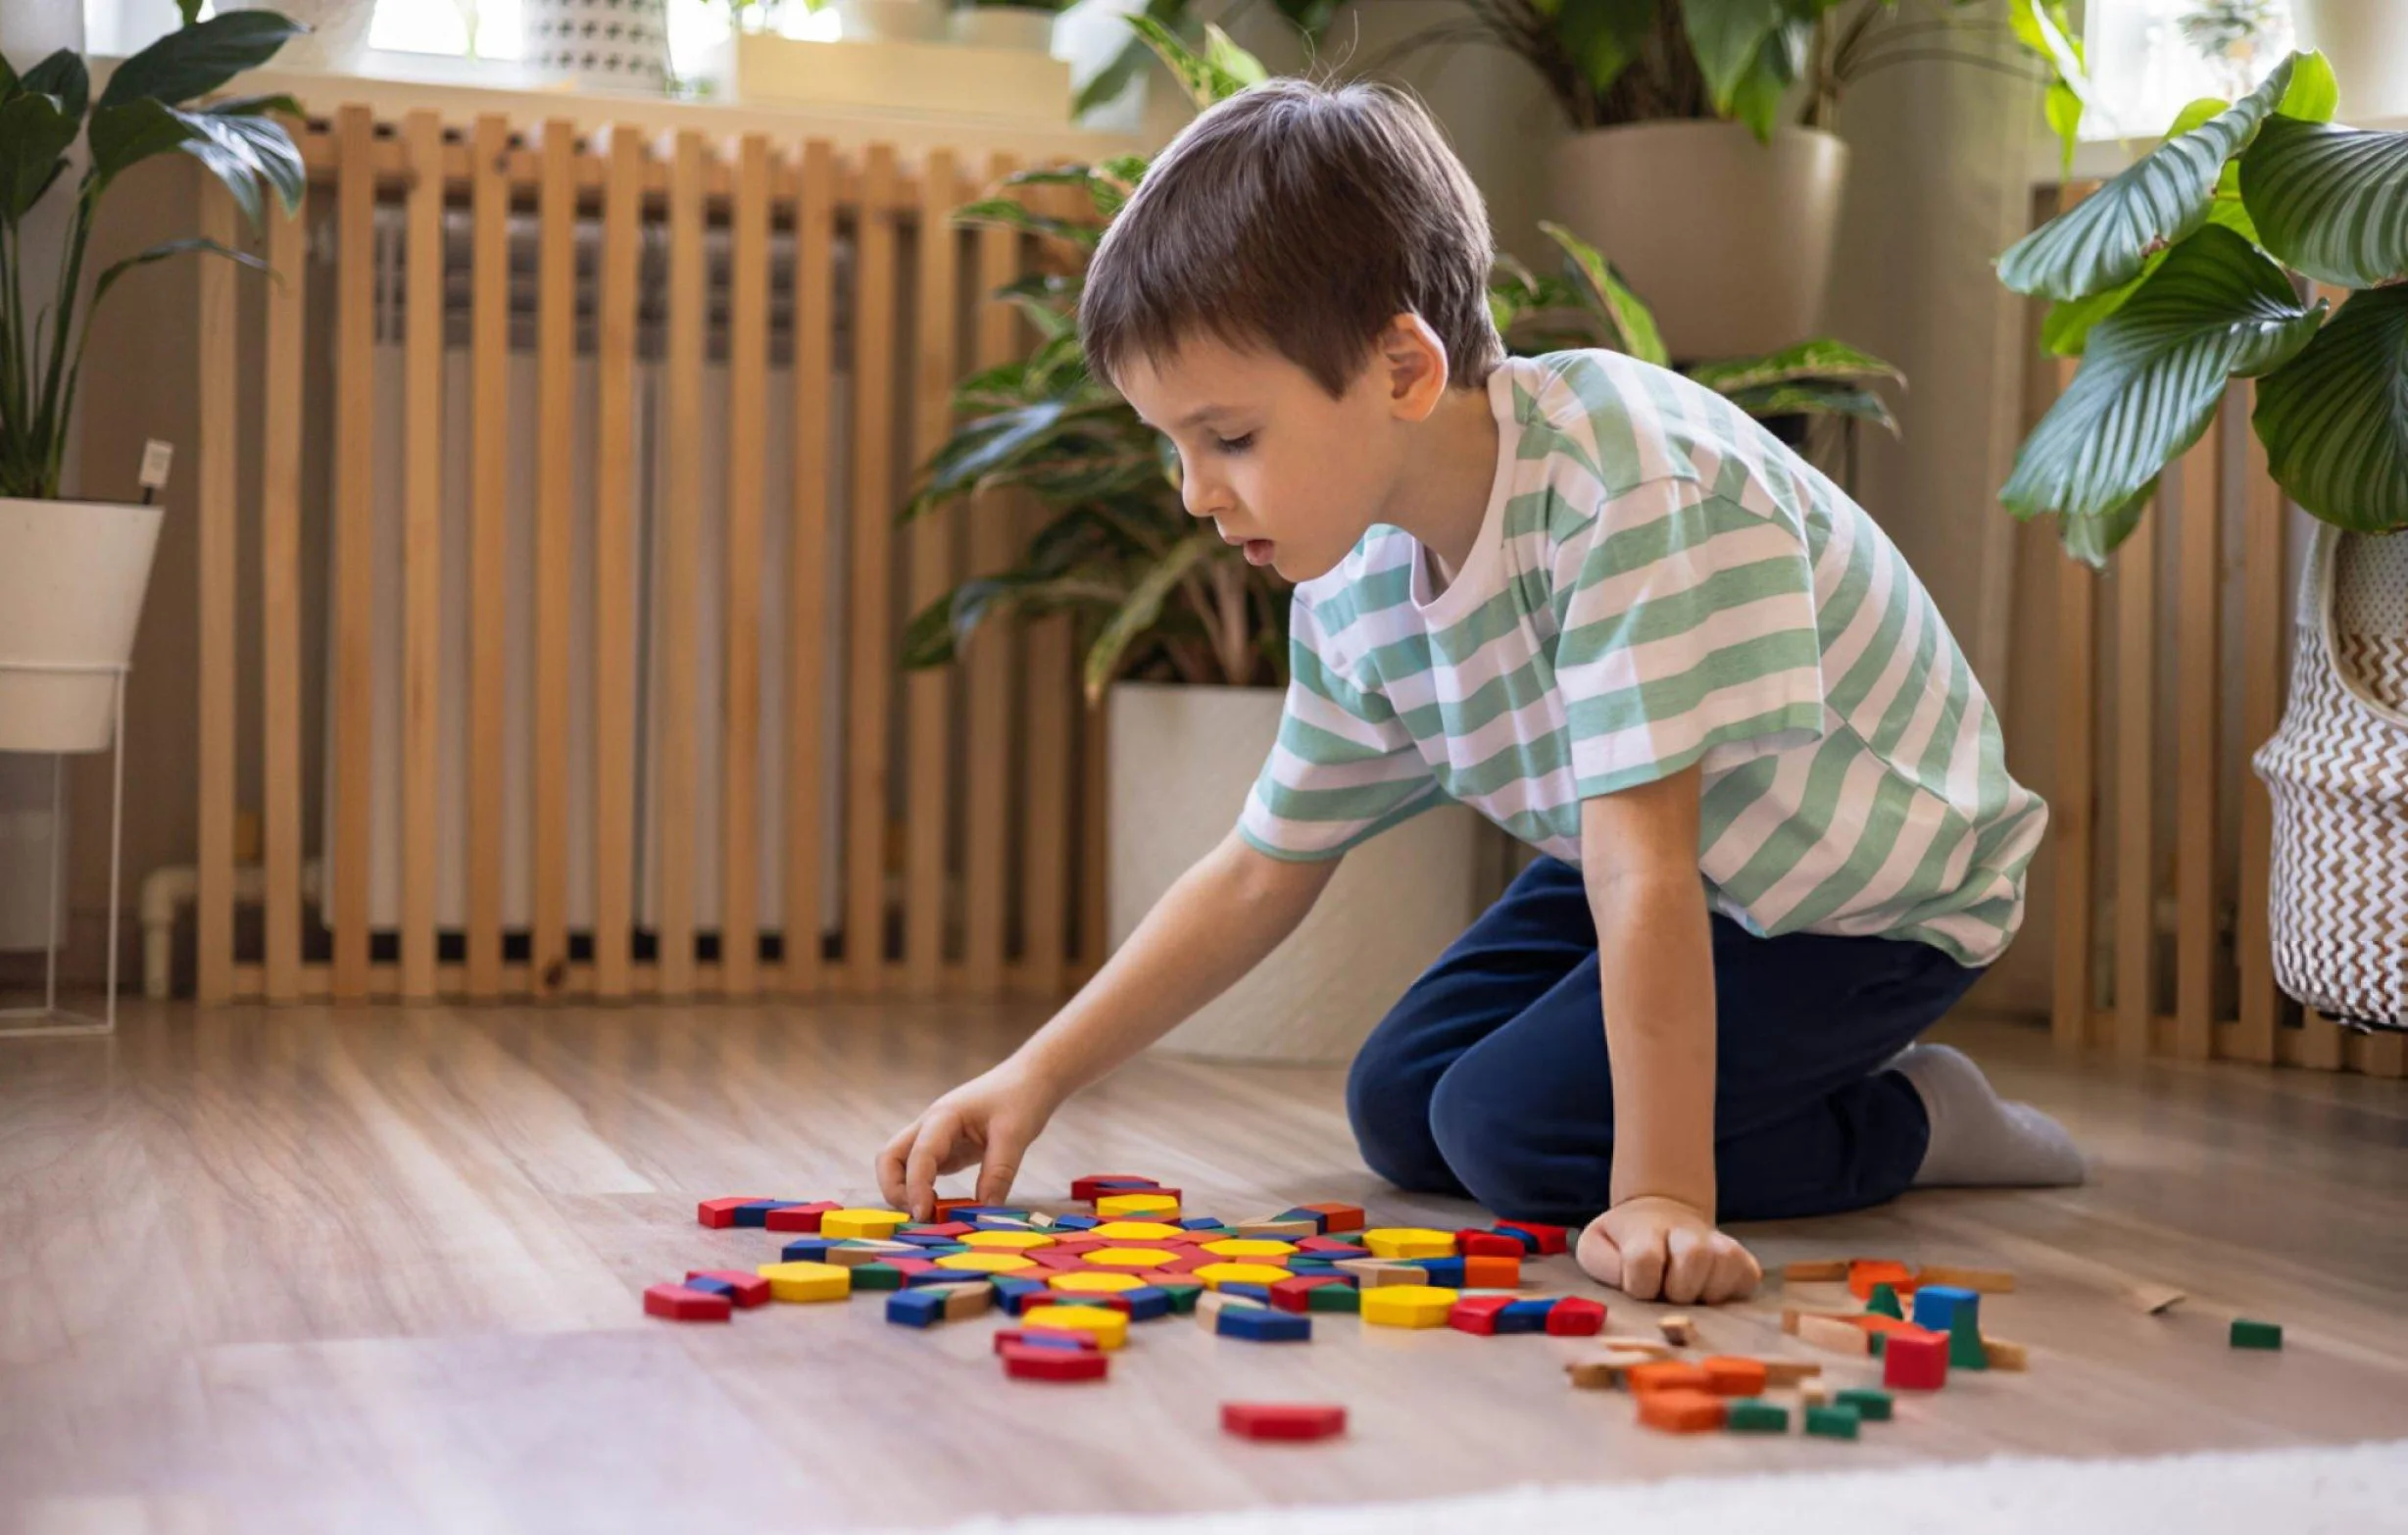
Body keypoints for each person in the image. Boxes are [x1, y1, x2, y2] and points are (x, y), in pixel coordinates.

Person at [877, 76, 2084, 1305]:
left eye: (1230, 439)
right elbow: (1256, 872)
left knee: (1519, 1136)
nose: (1195, 491)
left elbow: (1644, 868)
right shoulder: (1356, 593)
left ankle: (1915, 1123)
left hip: (1859, 897)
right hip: (1666, 861)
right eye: (1173, 445)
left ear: (1403, 366)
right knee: (1403, 1109)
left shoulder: (1631, 494)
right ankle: (1752, 1103)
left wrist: (1661, 1193)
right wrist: (1035, 1075)